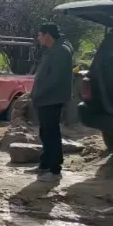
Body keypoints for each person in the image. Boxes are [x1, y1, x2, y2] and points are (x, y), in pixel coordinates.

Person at [31, 22, 74, 182]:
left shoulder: (61, 51)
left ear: (47, 35)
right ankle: (45, 164)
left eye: (40, 35)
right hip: (46, 99)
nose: (38, 38)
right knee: (45, 132)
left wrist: (37, 93)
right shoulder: (55, 49)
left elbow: (54, 80)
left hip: (51, 99)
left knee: (51, 134)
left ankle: (54, 170)